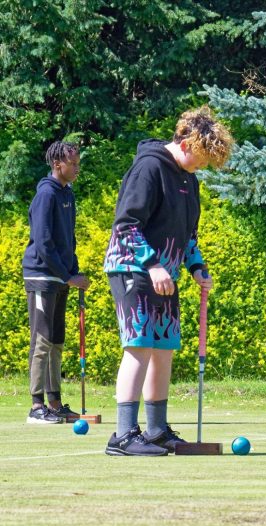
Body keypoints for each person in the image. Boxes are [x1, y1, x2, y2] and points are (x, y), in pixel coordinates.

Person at [103, 106, 233, 456]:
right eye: (203, 158)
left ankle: (157, 430)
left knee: (164, 348)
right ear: (188, 142)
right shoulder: (149, 168)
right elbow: (126, 225)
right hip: (134, 267)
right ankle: (123, 435)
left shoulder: (188, 178)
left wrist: (196, 267)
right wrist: (154, 265)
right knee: (140, 344)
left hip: (166, 273)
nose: (203, 166)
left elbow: (187, 234)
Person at [22, 142, 91, 424]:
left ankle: (55, 402)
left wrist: (73, 272)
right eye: (72, 164)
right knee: (41, 340)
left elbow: (68, 238)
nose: (76, 168)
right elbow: (43, 242)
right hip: (41, 276)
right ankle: (36, 406)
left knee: (56, 341)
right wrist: (67, 276)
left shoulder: (67, 194)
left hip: (60, 276)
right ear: (57, 165)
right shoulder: (46, 195)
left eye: (77, 163)